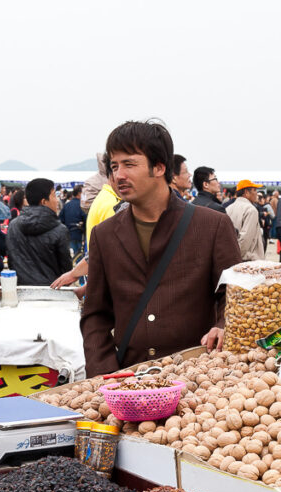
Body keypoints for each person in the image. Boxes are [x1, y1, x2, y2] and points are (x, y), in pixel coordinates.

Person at [81, 120, 240, 376]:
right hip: (128, 380)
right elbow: (95, 315)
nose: (118, 175)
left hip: (198, 380)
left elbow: (233, 295)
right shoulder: (104, 234)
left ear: (159, 167)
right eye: (114, 166)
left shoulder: (212, 225)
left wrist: (223, 325)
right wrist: (105, 374)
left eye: (129, 164)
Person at [6, 178, 72, 286]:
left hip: (20, 290)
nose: (57, 200)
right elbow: (66, 269)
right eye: (54, 195)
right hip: (52, 290)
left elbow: (11, 260)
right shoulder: (60, 229)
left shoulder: (13, 225)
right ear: (44, 201)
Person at [225, 179, 265, 262]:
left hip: (233, 255)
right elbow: (245, 238)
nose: (256, 194)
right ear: (246, 192)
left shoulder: (228, 208)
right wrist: (237, 256)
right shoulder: (251, 209)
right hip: (247, 259)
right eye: (254, 190)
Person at [59, 183, 86, 256]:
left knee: (74, 255)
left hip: (69, 234)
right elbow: (86, 219)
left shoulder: (66, 205)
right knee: (81, 256)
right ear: (79, 193)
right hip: (80, 235)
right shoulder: (82, 206)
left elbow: (60, 219)